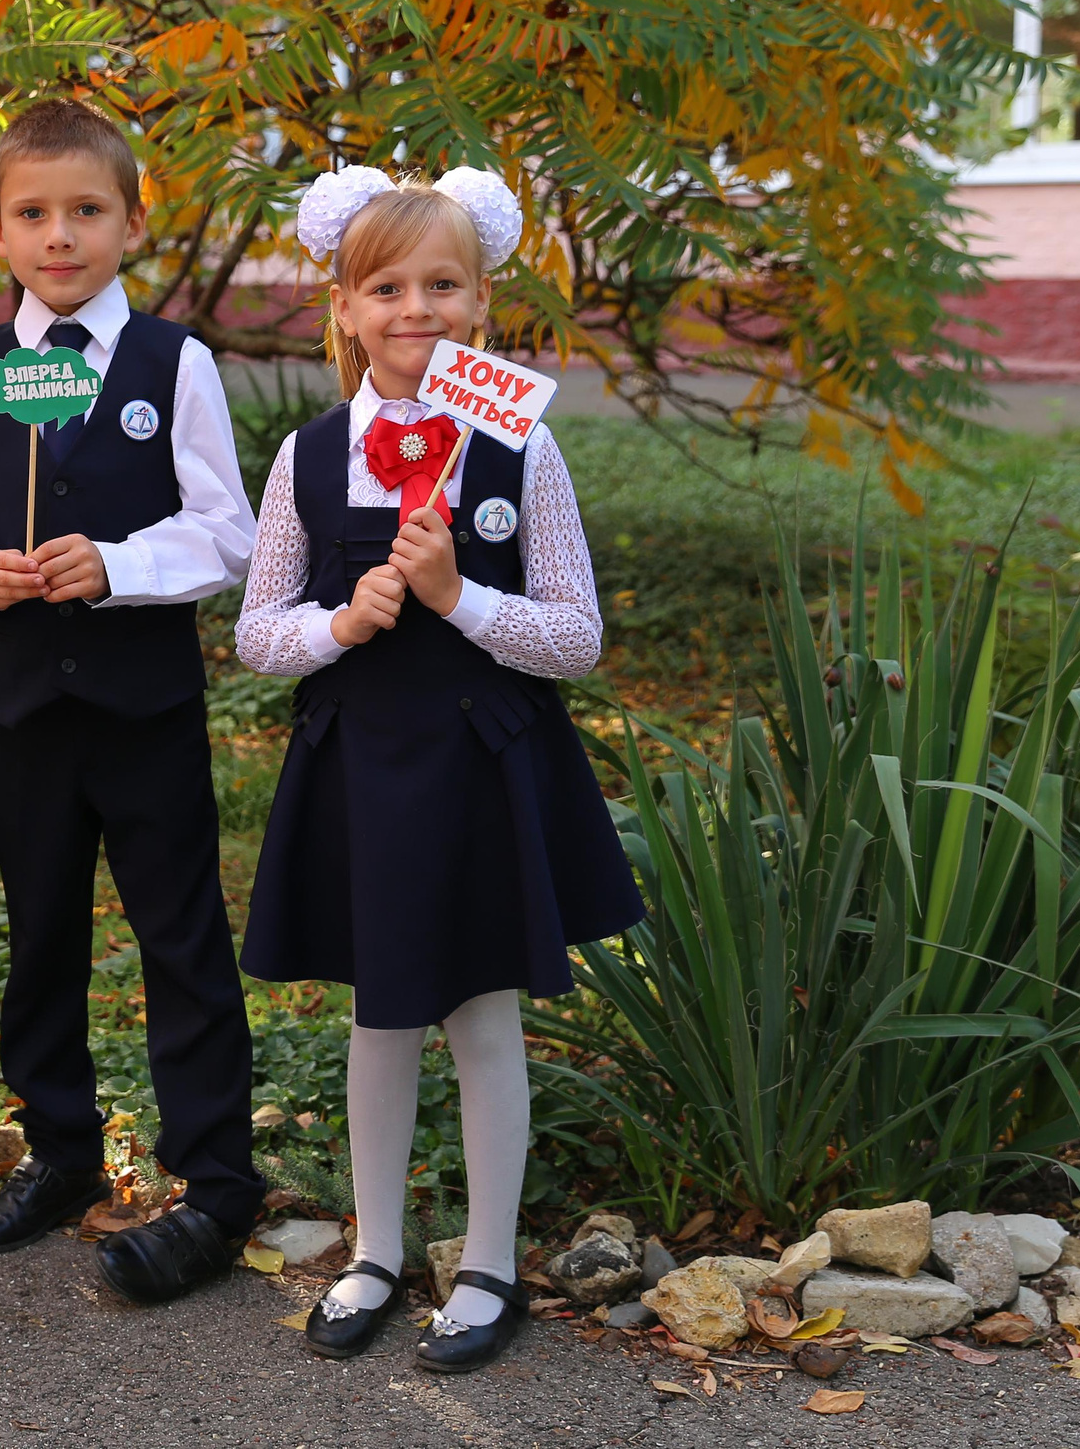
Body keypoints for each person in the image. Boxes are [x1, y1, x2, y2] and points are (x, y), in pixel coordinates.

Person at [234, 165, 643, 1371]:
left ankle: (489, 1263)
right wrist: (341, 622)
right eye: (386, 288)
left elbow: (575, 636)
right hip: (361, 768)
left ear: (480, 301)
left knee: (480, 1014)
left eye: (443, 285)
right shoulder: (310, 457)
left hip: (479, 768)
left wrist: (459, 597)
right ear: (345, 308)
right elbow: (257, 632)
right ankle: (373, 1252)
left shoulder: (521, 451)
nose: (415, 308)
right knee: (381, 1013)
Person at [0, 97, 266, 1304]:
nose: (60, 236)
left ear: (131, 223)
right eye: (34, 214)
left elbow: (229, 533)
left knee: (181, 938)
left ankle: (215, 1180)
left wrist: (119, 564)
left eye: (87, 211)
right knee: (41, 931)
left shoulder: (173, 363)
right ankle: (59, 1151)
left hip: (143, 710)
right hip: (21, 715)